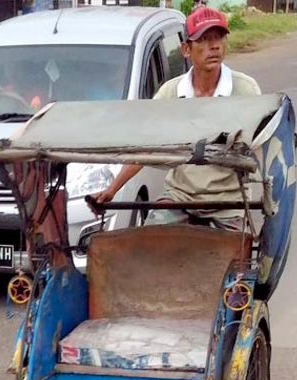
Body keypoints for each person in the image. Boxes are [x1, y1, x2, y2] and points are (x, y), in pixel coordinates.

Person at [94, 7, 261, 232]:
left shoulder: (245, 90)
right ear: (186, 49)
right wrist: (112, 189)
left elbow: (261, 149)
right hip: (179, 197)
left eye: (219, 37)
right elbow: (146, 148)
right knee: (148, 242)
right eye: (203, 39)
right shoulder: (170, 94)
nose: (214, 46)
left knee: (233, 262)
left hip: (228, 202)